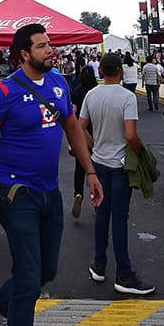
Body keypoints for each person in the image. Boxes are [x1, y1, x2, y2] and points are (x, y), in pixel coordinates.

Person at [0, 23, 103, 326]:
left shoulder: (58, 81)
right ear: (24, 54)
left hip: (49, 191)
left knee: (46, 271)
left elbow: (72, 128)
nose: (50, 50)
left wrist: (90, 171)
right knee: (28, 276)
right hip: (14, 192)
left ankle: (0, 300)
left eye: (49, 43)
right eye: (41, 46)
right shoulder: (4, 92)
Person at [79, 52, 154, 295]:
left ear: (101, 71)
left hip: (99, 163)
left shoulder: (91, 94)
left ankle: (99, 265)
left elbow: (79, 129)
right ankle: (124, 273)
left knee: (102, 214)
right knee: (119, 220)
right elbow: (131, 135)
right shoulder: (127, 97)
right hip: (121, 165)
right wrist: (140, 151)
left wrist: (93, 145)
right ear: (121, 71)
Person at [69, 65, 99, 219]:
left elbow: (72, 112)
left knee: (80, 166)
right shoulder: (97, 92)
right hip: (98, 132)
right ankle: (96, 198)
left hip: (81, 132)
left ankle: (78, 193)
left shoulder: (76, 91)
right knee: (97, 168)